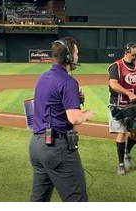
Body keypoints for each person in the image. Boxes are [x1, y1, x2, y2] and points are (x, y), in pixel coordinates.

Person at [28, 37, 91, 202]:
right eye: (76, 53)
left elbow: (51, 103)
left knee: (39, 199)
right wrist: (86, 114)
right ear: (69, 57)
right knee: (76, 199)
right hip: (56, 147)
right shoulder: (68, 81)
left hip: (36, 145)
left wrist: (75, 100)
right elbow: (74, 118)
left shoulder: (43, 77)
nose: (78, 56)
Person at [107, 42, 136, 175]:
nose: (135, 57)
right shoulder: (116, 66)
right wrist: (128, 93)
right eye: (133, 54)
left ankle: (127, 151)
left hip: (135, 106)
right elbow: (113, 84)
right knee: (122, 132)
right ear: (127, 53)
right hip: (119, 105)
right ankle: (120, 163)